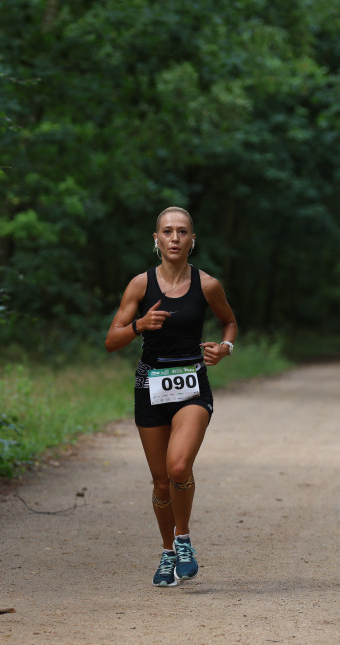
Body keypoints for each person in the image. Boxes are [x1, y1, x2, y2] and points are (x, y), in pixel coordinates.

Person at [105, 206, 238, 588]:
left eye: (182, 232)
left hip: (192, 384)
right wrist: (139, 325)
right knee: (161, 482)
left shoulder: (207, 285)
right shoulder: (139, 286)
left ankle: (183, 539)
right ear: (156, 239)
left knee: (179, 467)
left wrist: (226, 348)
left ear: (193, 240)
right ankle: (167, 552)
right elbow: (111, 341)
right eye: (168, 231)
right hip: (150, 386)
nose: (175, 238)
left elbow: (229, 322)